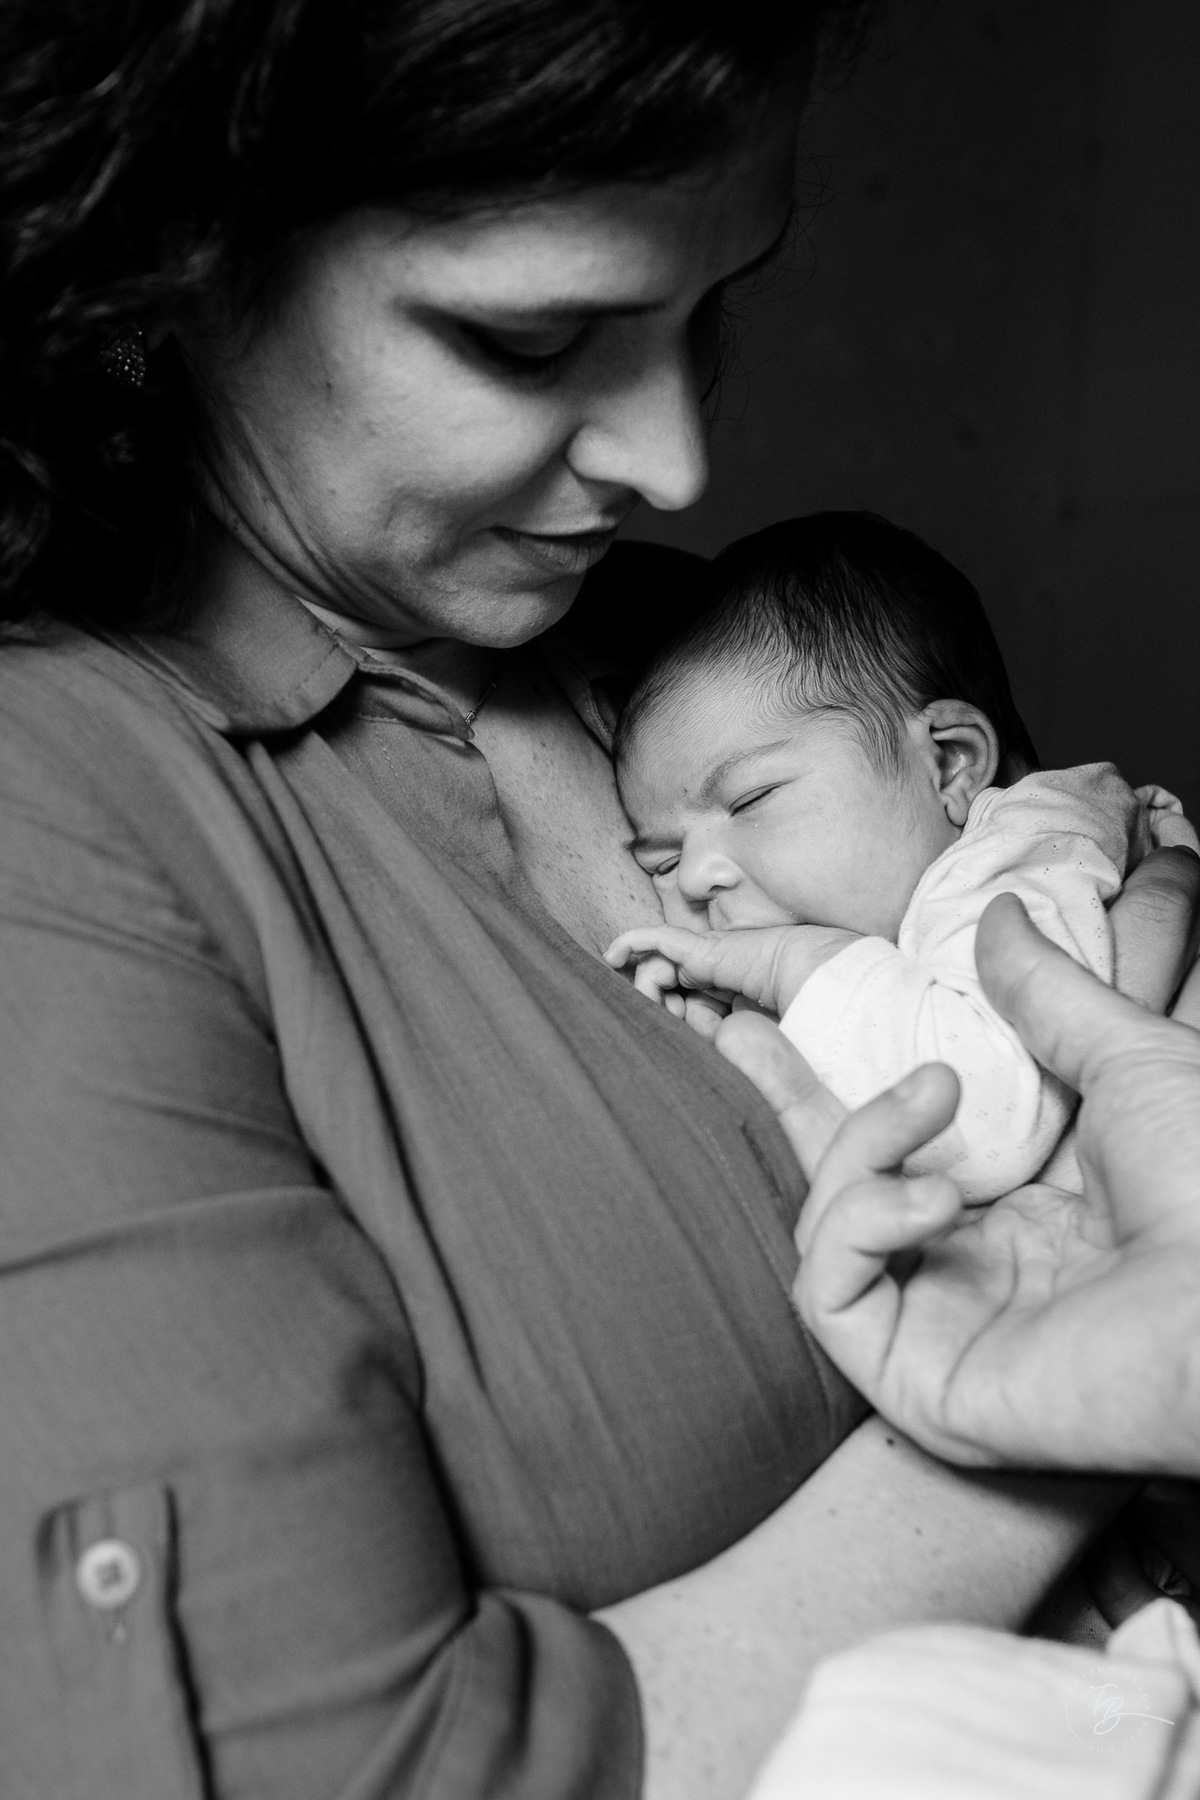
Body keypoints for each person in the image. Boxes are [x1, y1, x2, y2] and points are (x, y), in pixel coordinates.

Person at [1, 5, 1195, 1798]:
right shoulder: (66, 809)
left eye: (712, 310)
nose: (678, 463)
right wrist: (1047, 1400)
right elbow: (365, 1767)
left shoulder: (684, 651)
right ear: (179, 258)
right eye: (531, 335)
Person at [605, 512, 1197, 1201]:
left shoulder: (1026, 854)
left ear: (949, 764)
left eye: (750, 798)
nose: (699, 876)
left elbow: (982, 1116)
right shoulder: (895, 892)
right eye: (663, 861)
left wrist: (784, 965)